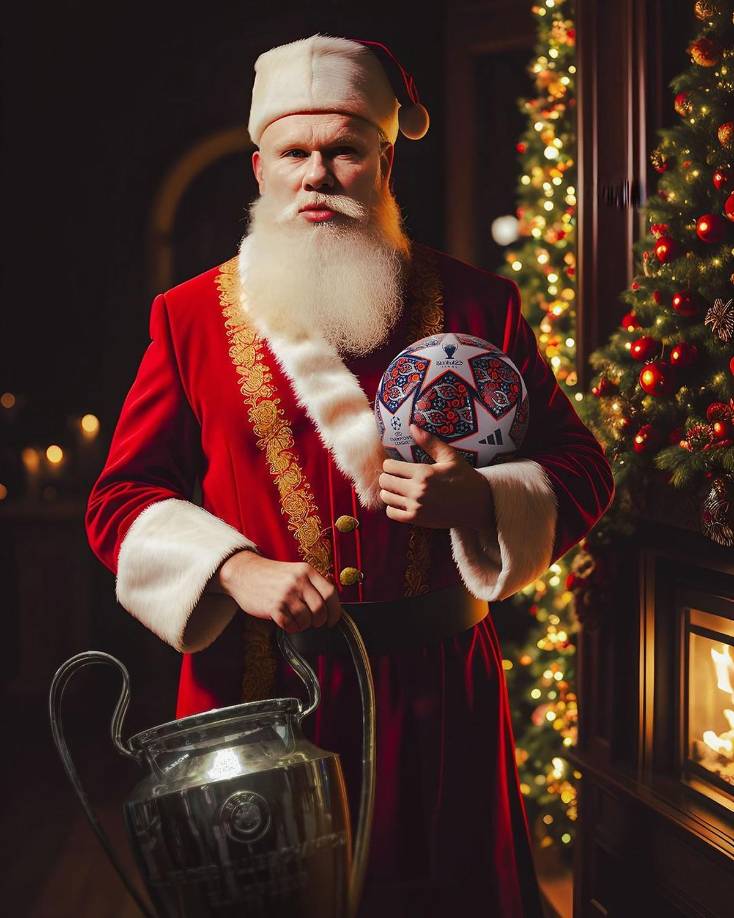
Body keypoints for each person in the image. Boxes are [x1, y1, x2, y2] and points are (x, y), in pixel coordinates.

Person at [86, 34, 614, 917]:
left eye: (344, 152)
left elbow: (583, 467)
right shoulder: (189, 318)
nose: (317, 176)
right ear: (261, 169)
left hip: (444, 691)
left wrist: (481, 498)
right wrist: (231, 568)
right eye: (294, 154)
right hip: (262, 694)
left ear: (385, 161)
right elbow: (119, 501)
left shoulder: (480, 304)